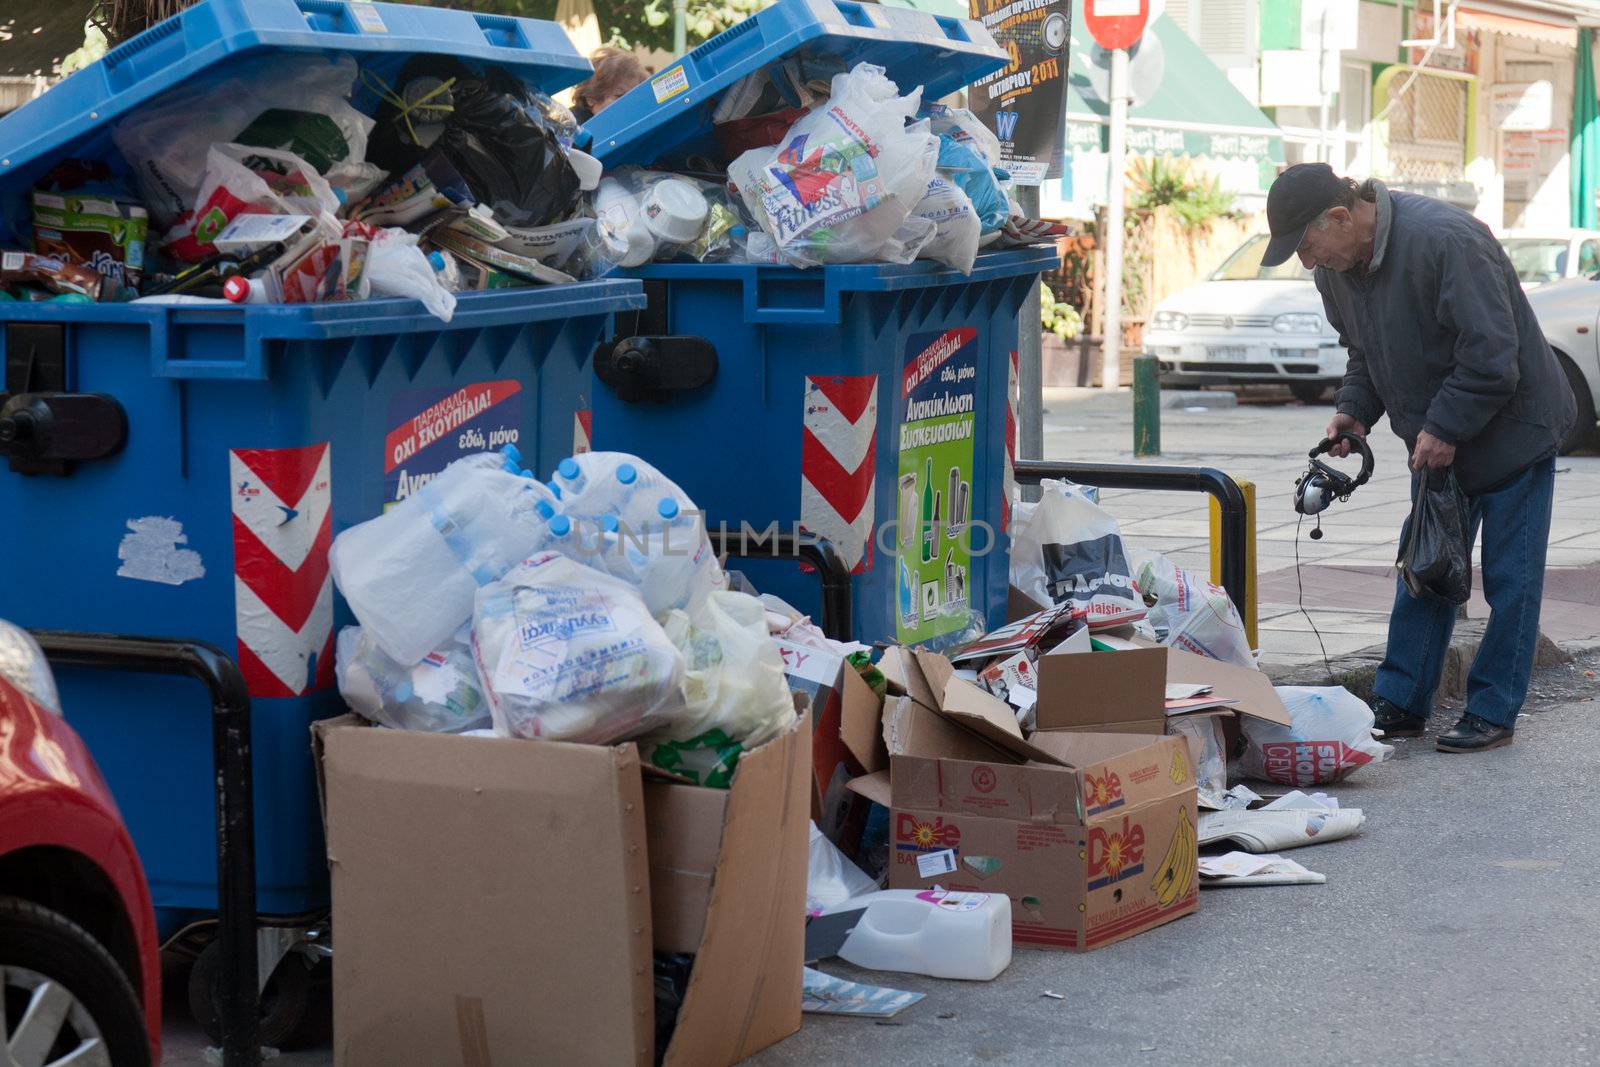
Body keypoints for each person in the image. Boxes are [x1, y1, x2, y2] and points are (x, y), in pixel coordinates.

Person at [1260, 163, 1575, 753]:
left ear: (1341, 216)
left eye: (1306, 244)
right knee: (1426, 567)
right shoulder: (1337, 268)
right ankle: (1402, 701)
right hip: (1435, 440)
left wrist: (1445, 426)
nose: (1306, 261)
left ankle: (1492, 709)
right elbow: (1365, 350)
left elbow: (1491, 356)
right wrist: (1355, 410)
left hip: (1513, 431)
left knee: (1512, 578)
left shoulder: (1447, 239)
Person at [570, 47, 648, 124]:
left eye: (634, 95)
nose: (630, 104)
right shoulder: (568, 128)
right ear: (590, 98)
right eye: (620, 96)